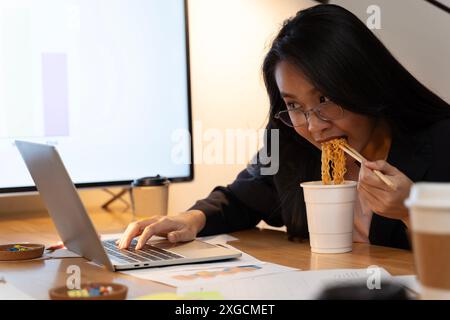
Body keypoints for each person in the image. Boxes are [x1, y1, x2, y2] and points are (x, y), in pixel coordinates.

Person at [117, 4, 450, 251]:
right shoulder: (292, 142)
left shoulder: (440, 143)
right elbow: (240, 199)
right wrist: (191, 220)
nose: (313, 125)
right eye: (294, 106)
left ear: (363, 83)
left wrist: (412, 211)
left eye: (325, 98)